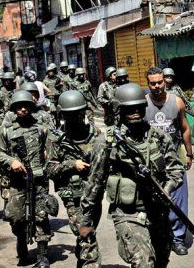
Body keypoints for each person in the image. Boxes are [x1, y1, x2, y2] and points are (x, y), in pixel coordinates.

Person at [79, 83, 184, 268]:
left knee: (161, 260)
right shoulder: (107, 143)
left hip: (158, 210)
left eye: (138, 107)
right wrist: (86, 221)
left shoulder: (159, 137)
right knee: (143, 263)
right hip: (128, 213)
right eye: (129, 109)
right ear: (119, 110)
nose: (135, 112)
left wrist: (166, 189)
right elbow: (95, 183)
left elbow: (176, 170)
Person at [0, 90, 55, 268]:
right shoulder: (6, 129)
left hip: (38, 180)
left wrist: (48, 161)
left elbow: (52, 152)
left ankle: (42, 256)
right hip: (17, 181)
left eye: (26, 106)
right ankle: (22, 245)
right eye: (19, 107)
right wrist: (11, 161)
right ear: (14, 109)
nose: (23, 109)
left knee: (41, 216)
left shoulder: (42, 128)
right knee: (16, 217)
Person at [47, 90, 102, 267]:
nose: (76, 117)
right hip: (72, 195)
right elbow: (49, 169)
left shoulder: (95, 133)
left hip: (94, 193)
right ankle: (90, 262)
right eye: (71, 114)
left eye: (79, 113)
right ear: (63, 115)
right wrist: (71, 164)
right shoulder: (56, 139)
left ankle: (82, 255)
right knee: (85, 232)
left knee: (89, 230)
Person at [144, 67, 193, 256]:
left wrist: (189, 154)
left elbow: (185, 128)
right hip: (152, 163)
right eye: (153, 83)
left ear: (165, 81)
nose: (157, 86)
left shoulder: (177, 102)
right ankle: (157, 236)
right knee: (153, 202)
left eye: (160, 82)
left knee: (179, 201)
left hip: (175, 161)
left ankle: (178, 238)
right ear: (148, 84)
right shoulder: (143, 104)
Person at [163, 68, 194, 145]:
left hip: (177, 119)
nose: (169, 78)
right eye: (167, 76)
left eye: (171, 76)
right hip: (164, 119)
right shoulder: (159, 90)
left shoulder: (176, 89)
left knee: (178, 140)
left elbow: (185, 103)